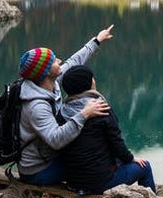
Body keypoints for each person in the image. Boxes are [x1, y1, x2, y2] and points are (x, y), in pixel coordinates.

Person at [16, 25, 114, 185]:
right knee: (93, 163)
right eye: (54, 61)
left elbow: (74, 61)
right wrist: (85, 113)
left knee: (94, 155)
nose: (59, 61)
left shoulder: (49, 82)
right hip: (38, 170)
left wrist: (97, 40)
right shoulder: (36, 106)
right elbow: (56, 140)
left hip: (49, 156)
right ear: (46, 72)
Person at [58, 65, 155, 194]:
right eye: (92, 78)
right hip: (99, 182)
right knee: (145, 167)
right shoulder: (101, 109)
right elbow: (116, 142)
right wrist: (131, 159)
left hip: (73, 181)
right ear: (89, 83)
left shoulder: (63, 111)